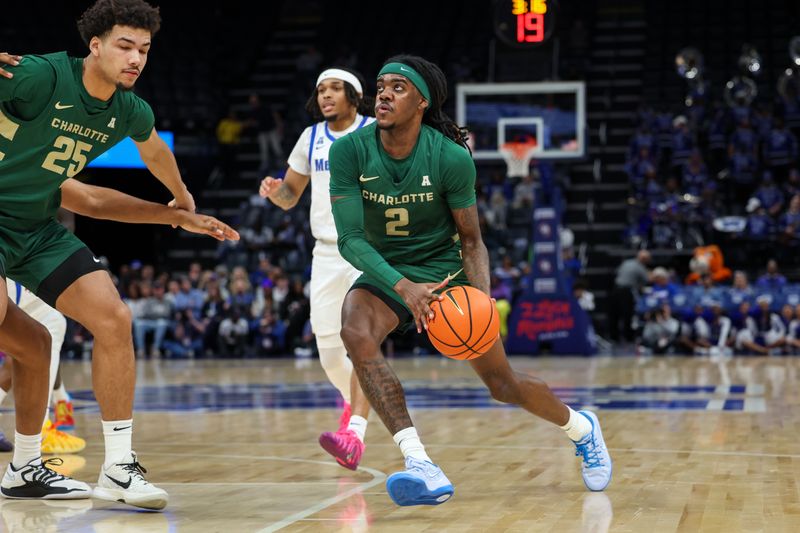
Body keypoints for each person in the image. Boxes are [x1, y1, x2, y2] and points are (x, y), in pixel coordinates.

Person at [329, 55, 612, 506]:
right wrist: (402, 286)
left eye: (398, 88)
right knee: (354, 332)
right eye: (381, 85)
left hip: (443, 273)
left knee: (503, 387)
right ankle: (420, 462)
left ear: (422, 102)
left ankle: (581, 428)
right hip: (387, 273)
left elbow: (472, 240)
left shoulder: (450, 157)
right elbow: (349, 239)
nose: (383, 93)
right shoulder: (350, 150)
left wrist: (480, 301)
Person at [0, 0, 236, 508]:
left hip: (35, 227)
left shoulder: (127, 110)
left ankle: (86, 467)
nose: (136, 58)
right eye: (125, 46)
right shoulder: (41, 78)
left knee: (106, 321)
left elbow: (132, 164)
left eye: (145, 50)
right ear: (96, 45)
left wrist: (179, 204)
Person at [259, 67, 374, 470]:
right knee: (327, 350)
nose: (325, 96)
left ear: (354, 96)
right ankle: (358, 398)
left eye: (334, 89)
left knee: (361, 339)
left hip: (369, 249)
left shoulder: (376, 130)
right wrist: (277, 192)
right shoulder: (310, 138)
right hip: (326, 252)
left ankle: (354, 431)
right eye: (321, 90)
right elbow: (291, 196)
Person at [608, 250, 651, 343]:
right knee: (627, 314)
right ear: (644, 259)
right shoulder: (640, 267)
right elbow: (647, 280)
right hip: (626, 291)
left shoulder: (627, 262)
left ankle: (614, 337)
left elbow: (617, 272)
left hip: (615, 288)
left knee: (614, 314)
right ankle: (628, 338)